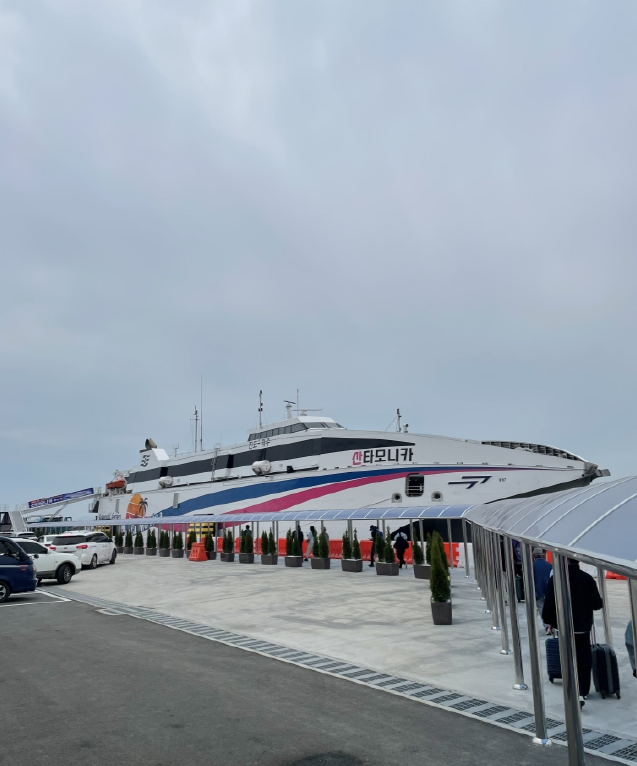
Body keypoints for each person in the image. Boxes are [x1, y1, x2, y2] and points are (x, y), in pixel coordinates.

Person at [542, 558, 603, 704]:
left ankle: (570, 686)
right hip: (582, 627)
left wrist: (549, 621)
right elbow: (597, 604)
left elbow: (549, 604)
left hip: (563, 627)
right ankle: (583, 690)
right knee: (583, 658)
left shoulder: (556, 579)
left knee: (566, 656)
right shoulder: (587, 579)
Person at [532, 548, 552, 616]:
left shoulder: (532, 565)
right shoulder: (549, 565)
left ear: (534, 556)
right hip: (548, 589)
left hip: (538, 589)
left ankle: (546, 625)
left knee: (541, 606)